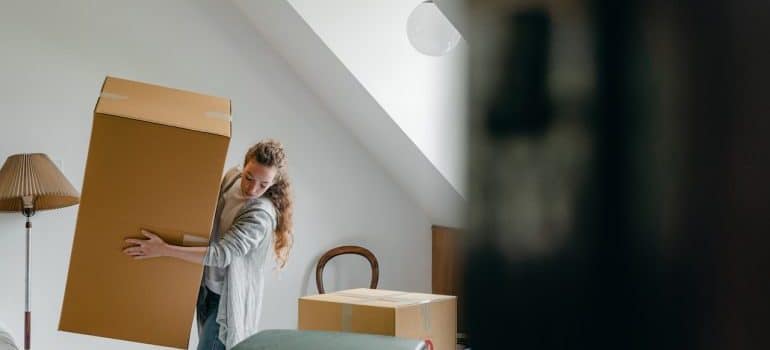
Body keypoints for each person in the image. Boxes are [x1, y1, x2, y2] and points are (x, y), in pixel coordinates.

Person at [122, 139, 294, 350]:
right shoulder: (232, 179)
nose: (252, 188)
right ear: (244, 166)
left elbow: (221, 255)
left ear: (273, 183)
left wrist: (163, 249)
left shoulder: (260, 215)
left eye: (263, 184)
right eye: (249, 177)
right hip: (206, 288)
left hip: (227, 300)